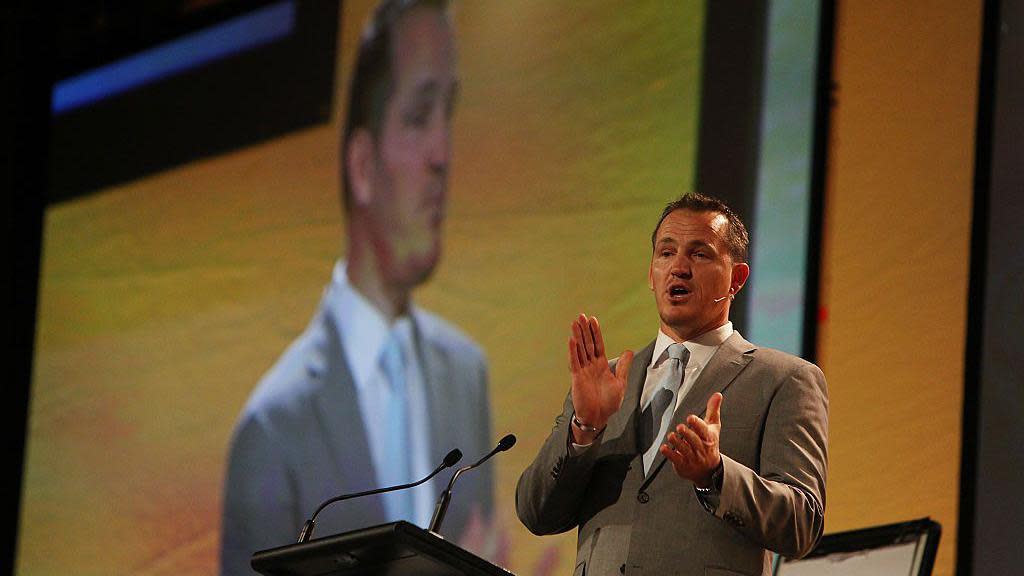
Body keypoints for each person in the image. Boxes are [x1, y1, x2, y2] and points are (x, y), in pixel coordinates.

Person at [220, 1, 494, 574]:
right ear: (364, 165)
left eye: (450, 113)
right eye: (420, 116)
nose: (444, 153)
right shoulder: (272, 430)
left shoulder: (466, 376)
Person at [516, 193, 828, 576]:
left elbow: (802, 523)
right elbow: (536, 513)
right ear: (651, 275)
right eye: (666, 253)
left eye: (699, 254)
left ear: (737, 278)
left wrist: (716, 473)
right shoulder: (606, 381)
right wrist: (585, 429)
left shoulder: (784, 379)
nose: (679, 267)